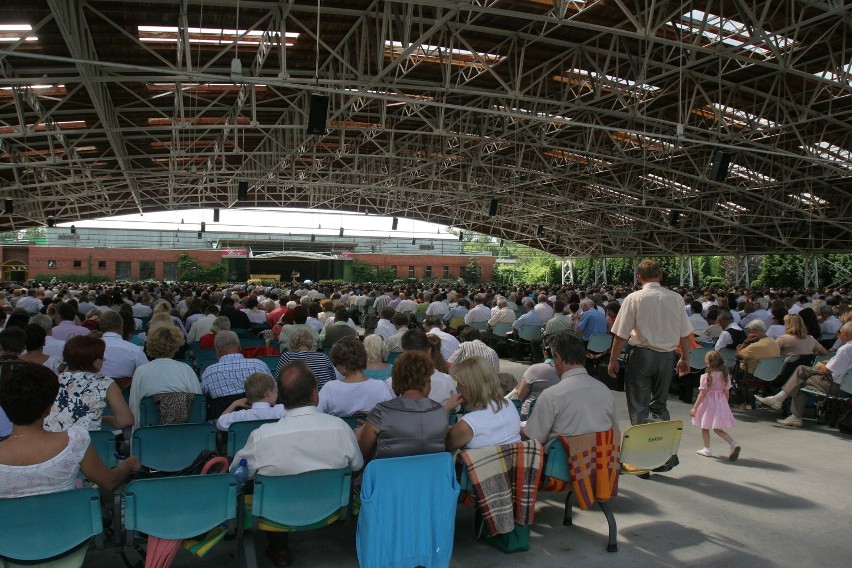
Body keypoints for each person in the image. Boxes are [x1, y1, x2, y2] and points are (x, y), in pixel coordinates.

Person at [231, 360, 363, 568]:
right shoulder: (341, 428)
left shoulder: (261, 437)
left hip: (275, 514)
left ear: (281, 396)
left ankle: (279, 548)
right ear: (314, 394)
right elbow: (356, 465)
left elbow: (237, 474)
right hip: (332, 509)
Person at [0, 361, 140, 500]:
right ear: (50, 408)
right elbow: (109, 482)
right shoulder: (75, 441)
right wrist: (129, 463)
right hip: (68, 521)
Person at [607, 259, 693, 425]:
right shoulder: (676, 298)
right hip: (668, 357)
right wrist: (685, 358)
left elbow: (621, 334)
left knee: (639, 404)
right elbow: (684, 333)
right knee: (660, 404)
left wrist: (612, 360)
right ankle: (661, 444)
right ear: (660, 276)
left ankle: (642, 444)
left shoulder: (633, 298)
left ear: (638, 278)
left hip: (642, 356)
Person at [356, 351, 458, 460]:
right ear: (425, 383)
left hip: (390, 475)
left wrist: (360, 433)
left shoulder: (381, 413)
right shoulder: (440, 412)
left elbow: (363, 454)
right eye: (429, 381)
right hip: (430, 475)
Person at [523, 333, 616, 446]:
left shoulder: (551, 395)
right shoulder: (604, 390)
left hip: (563, 461)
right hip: (600, 460)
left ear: (557, 357)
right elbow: (614, 432)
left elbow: (533, 438)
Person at [755, 322, 852, 428]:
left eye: (839, 332)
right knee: (800, 376)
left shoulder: (845, 349)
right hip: (847, 386)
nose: (838, 334)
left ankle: (788, 409)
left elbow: (828, 370)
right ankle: (784, 405)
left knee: (799, 379)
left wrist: (820, 366)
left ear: (845, 334)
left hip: (836, 386)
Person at [43, 335, 135, 432]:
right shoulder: (105, 383)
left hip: (53, 442)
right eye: (101, 356)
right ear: (92, 360)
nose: (104, 359)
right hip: (90, 443)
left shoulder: (51, 380)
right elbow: (126, 421)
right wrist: (102, 419)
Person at [128, 325, 202, 429]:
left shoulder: (141, 371)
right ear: (176, 346)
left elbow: (134, 407)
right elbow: (197, 405)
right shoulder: (186, 370)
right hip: (184, 434)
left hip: (150, 436)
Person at [445, 356, 520, 451]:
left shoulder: (469, 423)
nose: (458, 387)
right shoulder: (509, 404)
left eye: (459, 383)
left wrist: (446, 408)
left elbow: (442, 446)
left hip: (485, 465)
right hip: (514, 463)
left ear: (471, 387)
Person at [201, 330, 271, 418]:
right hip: (259, 421)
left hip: (225, 426)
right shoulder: (259, 366)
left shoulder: (209, 373)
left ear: (217, 349)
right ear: (239, 346)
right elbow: (274, 391)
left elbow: (203, 396)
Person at [319, 336, 393, 416]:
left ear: (343, 365)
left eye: (335, 364)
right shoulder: (381, 386)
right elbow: (389, 415)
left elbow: (316, 414)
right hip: (372, 427)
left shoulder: (329, 388)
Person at [689, 351, 740, 461]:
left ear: (708, 363)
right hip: (721, 402)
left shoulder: (706, 377)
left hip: (708, 403)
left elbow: (703, 393)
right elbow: (726, 392)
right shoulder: (726, 375)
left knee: (705, 426)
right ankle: (733, 444)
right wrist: (725, 405)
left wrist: (695, 407)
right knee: (718, 429)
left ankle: (707, 449)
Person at [216, 372, 285, 431]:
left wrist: (234, 403)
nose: (277, 393)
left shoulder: (240, 416)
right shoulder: (281, 410)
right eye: (276, 390)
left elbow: (220, 423)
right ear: (269, 392)